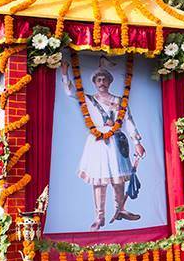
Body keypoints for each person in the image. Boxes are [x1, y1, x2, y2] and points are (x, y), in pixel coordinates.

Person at [61, 56, 145, 231]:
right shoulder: (89, 100)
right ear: (94, 82)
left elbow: (128, 120)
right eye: (98, 79)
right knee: (98, 181)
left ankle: (120, 209)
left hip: (116, 142)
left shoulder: (119, 100)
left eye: (104, 79)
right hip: (97, 142)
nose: (102, 82)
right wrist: (64, 73)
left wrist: (136, 142)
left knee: (118, 179)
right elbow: (70, 92)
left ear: (109, 81)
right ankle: (99, 217)